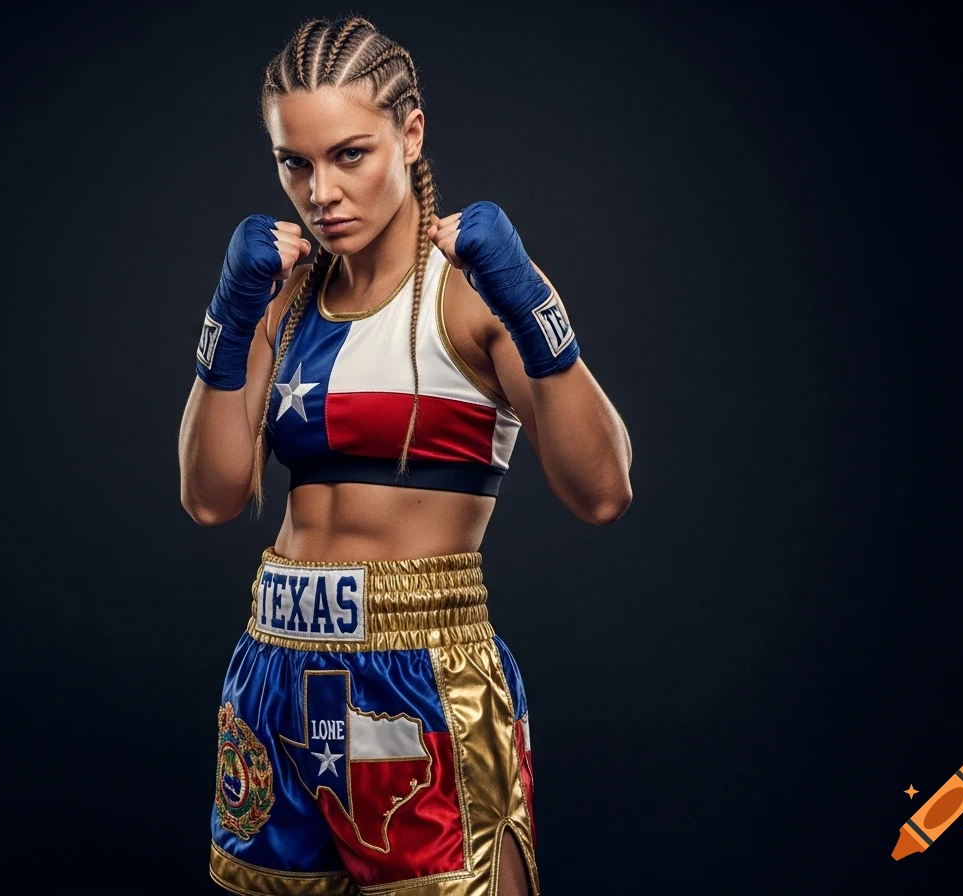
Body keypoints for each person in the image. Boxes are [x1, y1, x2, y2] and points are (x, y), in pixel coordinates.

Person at [180, 16, 632, 896]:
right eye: (295, 163)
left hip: (419, 671)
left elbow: (604, 491)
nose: (321, 191)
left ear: (410, 132)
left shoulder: (475, 295)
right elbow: (211, 497)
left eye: (349, 155)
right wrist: (226, 325)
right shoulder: (282, 300)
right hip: (273, 666)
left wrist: (534, 307)